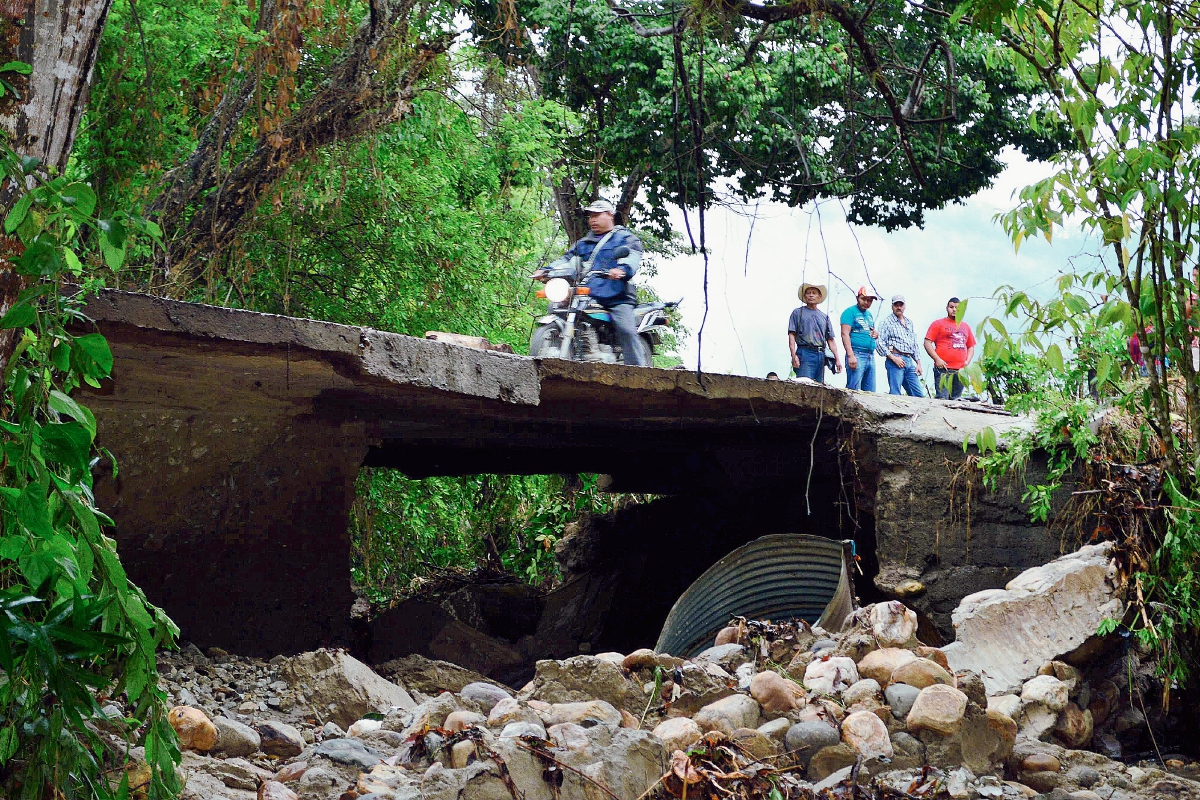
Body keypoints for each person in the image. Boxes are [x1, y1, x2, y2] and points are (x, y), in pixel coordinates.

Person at [541, 198, 647, 366]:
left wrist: (622, 270)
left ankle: (640, 372)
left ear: (610, 215)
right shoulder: (584, 243)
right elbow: (567, 260)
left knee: (626, 330)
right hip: (589, 294)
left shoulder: (625, 239)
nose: (592, 220)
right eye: (590, 216)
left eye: (597, 215)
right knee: (556, 307)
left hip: (617, 297)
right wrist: (546, 270)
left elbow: (632, 258)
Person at [924, 296, 977, 400]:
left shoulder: (965, 326)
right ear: (947, 308)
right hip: (943, 369)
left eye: (957, 307)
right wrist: (937, 359)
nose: (954, 310)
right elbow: (927, 342)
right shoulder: (938, 324)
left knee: (956, 399)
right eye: (951, 307)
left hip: (960, 370)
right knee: (942, 398)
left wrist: (967, 361)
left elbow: (971, 346)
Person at [788, 283, 842, 382]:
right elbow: (792, 335)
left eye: (814, 293)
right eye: (808, 293)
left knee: (818, 388)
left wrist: (837, 359)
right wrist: (793, 355)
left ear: (819, 296)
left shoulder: (824, 317)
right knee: (804, 385)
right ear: (805, 296)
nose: (811, 295)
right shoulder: (798, 313)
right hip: (805, 353)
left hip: (821, 355)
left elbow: (830, 339)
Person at [876, 295, 924, 396]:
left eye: (901, 305)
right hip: (895, 358)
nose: (899, 307)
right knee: (895, 393)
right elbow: (879, 343)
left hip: (909, 359)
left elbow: (914, 344)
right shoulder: (886, 322)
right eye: (896, 305)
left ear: (904, 306)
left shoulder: (909, 322)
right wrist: (893, 358)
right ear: (892, 306)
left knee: (918, 394)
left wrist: (918, 363)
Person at [840, 287, 879, 392]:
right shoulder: (850, 312)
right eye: (864, 299)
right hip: (857, 353)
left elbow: (869, 330)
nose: (866, 302)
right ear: (857, 298)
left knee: (870, 392)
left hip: (870, 355)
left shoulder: (869, 315)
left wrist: (875, 333)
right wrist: (850, 355)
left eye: (870, 300)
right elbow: (844, 333)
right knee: (853, 389)